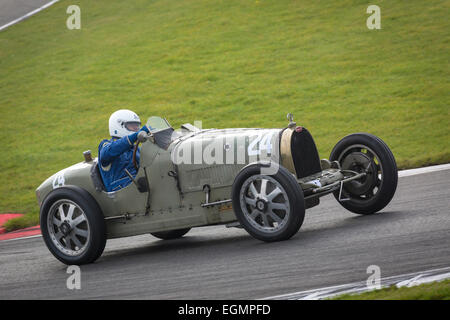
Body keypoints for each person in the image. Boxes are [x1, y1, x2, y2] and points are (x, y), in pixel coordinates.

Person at [98, 109, 149, 192]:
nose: (136, 129)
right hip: (122, 190)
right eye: (132, 126)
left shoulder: (135, 148)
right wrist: (137, 135)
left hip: (139, 186)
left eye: (137, 126)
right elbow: (107, 153)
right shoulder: (106, 145)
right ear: (119, 125)